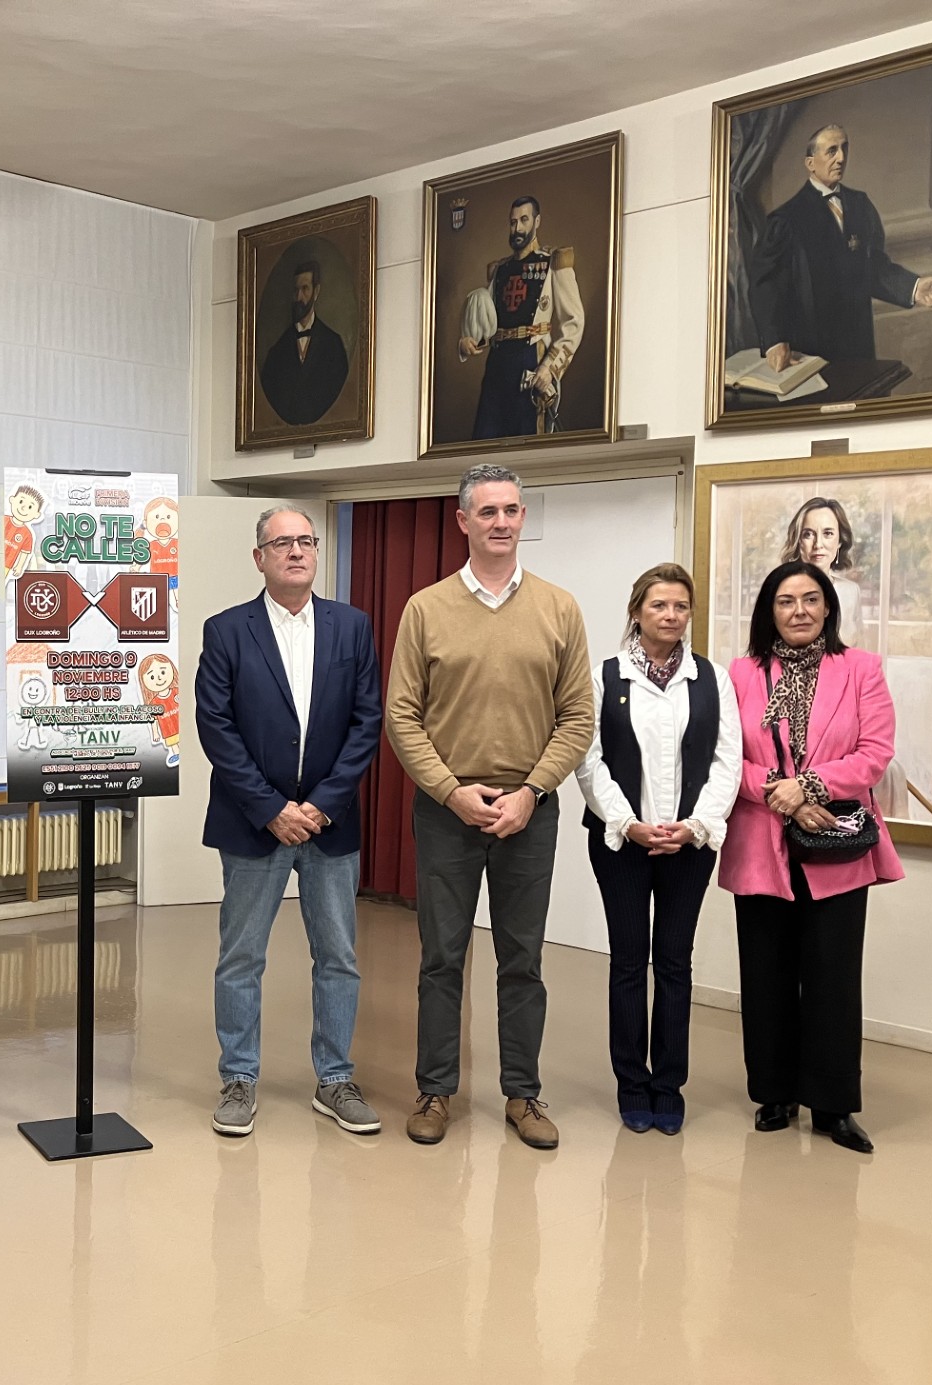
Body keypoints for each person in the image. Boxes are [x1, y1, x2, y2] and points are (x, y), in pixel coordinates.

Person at [385, 464, 593, 1150]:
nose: (502, 522)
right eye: (489, 512)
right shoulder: (426, 608)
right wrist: (450, 791)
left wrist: (532, 793)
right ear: (463, 521)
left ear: (522, 519)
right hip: (448, 811)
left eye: (512, 510)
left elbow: (576, 717)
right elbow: (403, 717)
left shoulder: (559, 609)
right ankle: (436, 1090)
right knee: (442, 958)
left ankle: (522, 1095)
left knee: (522, 960)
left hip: (529, 813)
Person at [193, 506, 383, 1138]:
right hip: (255, 823)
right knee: (241, 956)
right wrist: (271, 808)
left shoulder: (352, 627)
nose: (297, 551)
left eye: (306, 541)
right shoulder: (226, 631)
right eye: (283, 543)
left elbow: (367, 721)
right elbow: (215, 728)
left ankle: (334, 1079)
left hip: (330, 822)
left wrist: (322, 803)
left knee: (338, 956)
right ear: (259, 558)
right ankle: (239, 1078)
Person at [720, 561, 903, 1154]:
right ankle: (774, 1093)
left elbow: (875, 753)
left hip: (837, 845)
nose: (798, 610)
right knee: (766, 974)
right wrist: (782, 792)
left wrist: (812, 786)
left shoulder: (861, 670)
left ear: (828, 608)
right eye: (784, 600)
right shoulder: (741, 674)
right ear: (768, 611)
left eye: (810, 599)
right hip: (760, 841)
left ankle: (832, 1106)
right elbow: (722, 758)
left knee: (832, 978)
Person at [575, 564, 742, 1136]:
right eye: (659, 606)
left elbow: (728, 761)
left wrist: (697, 825)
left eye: (680, 607)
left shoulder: (712, 679)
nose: (670, 616)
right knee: (628, 963)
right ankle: (631, 1083)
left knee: (673, 963)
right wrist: (628, 822)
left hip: (690, 845)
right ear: (636, 612)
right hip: (622, 842)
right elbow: (588, 759)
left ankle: (668, 1084)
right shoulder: (605, 677)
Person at [750, 124, 932, 373]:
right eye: (832, 151)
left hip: (857, 343)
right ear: (810, 163)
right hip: (808, 349)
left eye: (844, 149)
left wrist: (913, 287)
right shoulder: (786, 220)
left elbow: (875, 267)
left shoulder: (861, 205)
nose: (842, 158)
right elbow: (765, 284)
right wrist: (774, 341)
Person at [455, 194, 584, 439]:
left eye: (524, 220)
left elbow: (574, 322)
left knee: (526, 444)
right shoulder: (500, 270)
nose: (518, 228)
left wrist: (550, 368)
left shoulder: (553, 263)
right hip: (497, 365)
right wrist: (467, 341)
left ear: (537, 222)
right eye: (513, 222)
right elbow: (489, 322)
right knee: (485, 443)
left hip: (531, 362)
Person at [258, 257, 351, 426]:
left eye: (305, 289)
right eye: (296, 290)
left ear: (316, 291)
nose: (299, 297)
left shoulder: (333, 344)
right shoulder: (277, 351)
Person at [779, 496, 863, 632]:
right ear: (798, 540)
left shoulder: (851, 592)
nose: (818, 544)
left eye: (828, 533)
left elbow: (858, 648)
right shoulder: (780, 590)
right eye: (808, 535)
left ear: (840, 541)